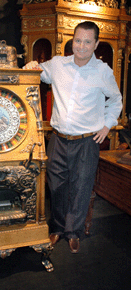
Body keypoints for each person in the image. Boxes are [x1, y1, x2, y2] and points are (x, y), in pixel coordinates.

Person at [23, 21, 122, 253]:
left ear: (96, 44)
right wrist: (32, 65)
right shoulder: (58, 64)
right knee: (56, 186)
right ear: (72, 40)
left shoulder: (103, 72)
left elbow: (116, 100)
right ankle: (57, 229)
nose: (82, 46)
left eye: (88, 41)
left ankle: (73, 232)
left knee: (81, 187)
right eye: (78, 40)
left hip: (88, 141)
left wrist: (107, 126)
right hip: (58, 139)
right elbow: (39, 71)